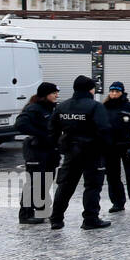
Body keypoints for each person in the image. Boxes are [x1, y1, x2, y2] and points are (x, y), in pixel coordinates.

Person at [47, 75, 112, 230]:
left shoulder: (62, 106)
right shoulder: (95, 106)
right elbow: (104, 129)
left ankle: (56, 218)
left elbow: (52, 130)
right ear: (90, 89)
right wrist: (106, 150)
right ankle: (90, 218)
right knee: (92, 186)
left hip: (71, 152)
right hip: (92, 152)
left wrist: (59, 147)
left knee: (65, 186)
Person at [17, 82, 60, 225]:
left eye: (56, 93)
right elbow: (20, 124)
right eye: (53, 93)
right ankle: (26, 214)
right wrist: (41, 134)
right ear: (45, 94)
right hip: (36, 150)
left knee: (47, 180)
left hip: (50, 151)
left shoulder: (52, 108)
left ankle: (41, 209)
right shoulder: (34, 108)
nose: (56, 95)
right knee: (35, 182)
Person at [102, 82, 130, 214]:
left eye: (117, 91)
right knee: (112, 176)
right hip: (110, 147)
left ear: (122, 92)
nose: (114, 94)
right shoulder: (103, 107)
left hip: (128, 146)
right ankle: (118, 203)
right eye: (112, 91)